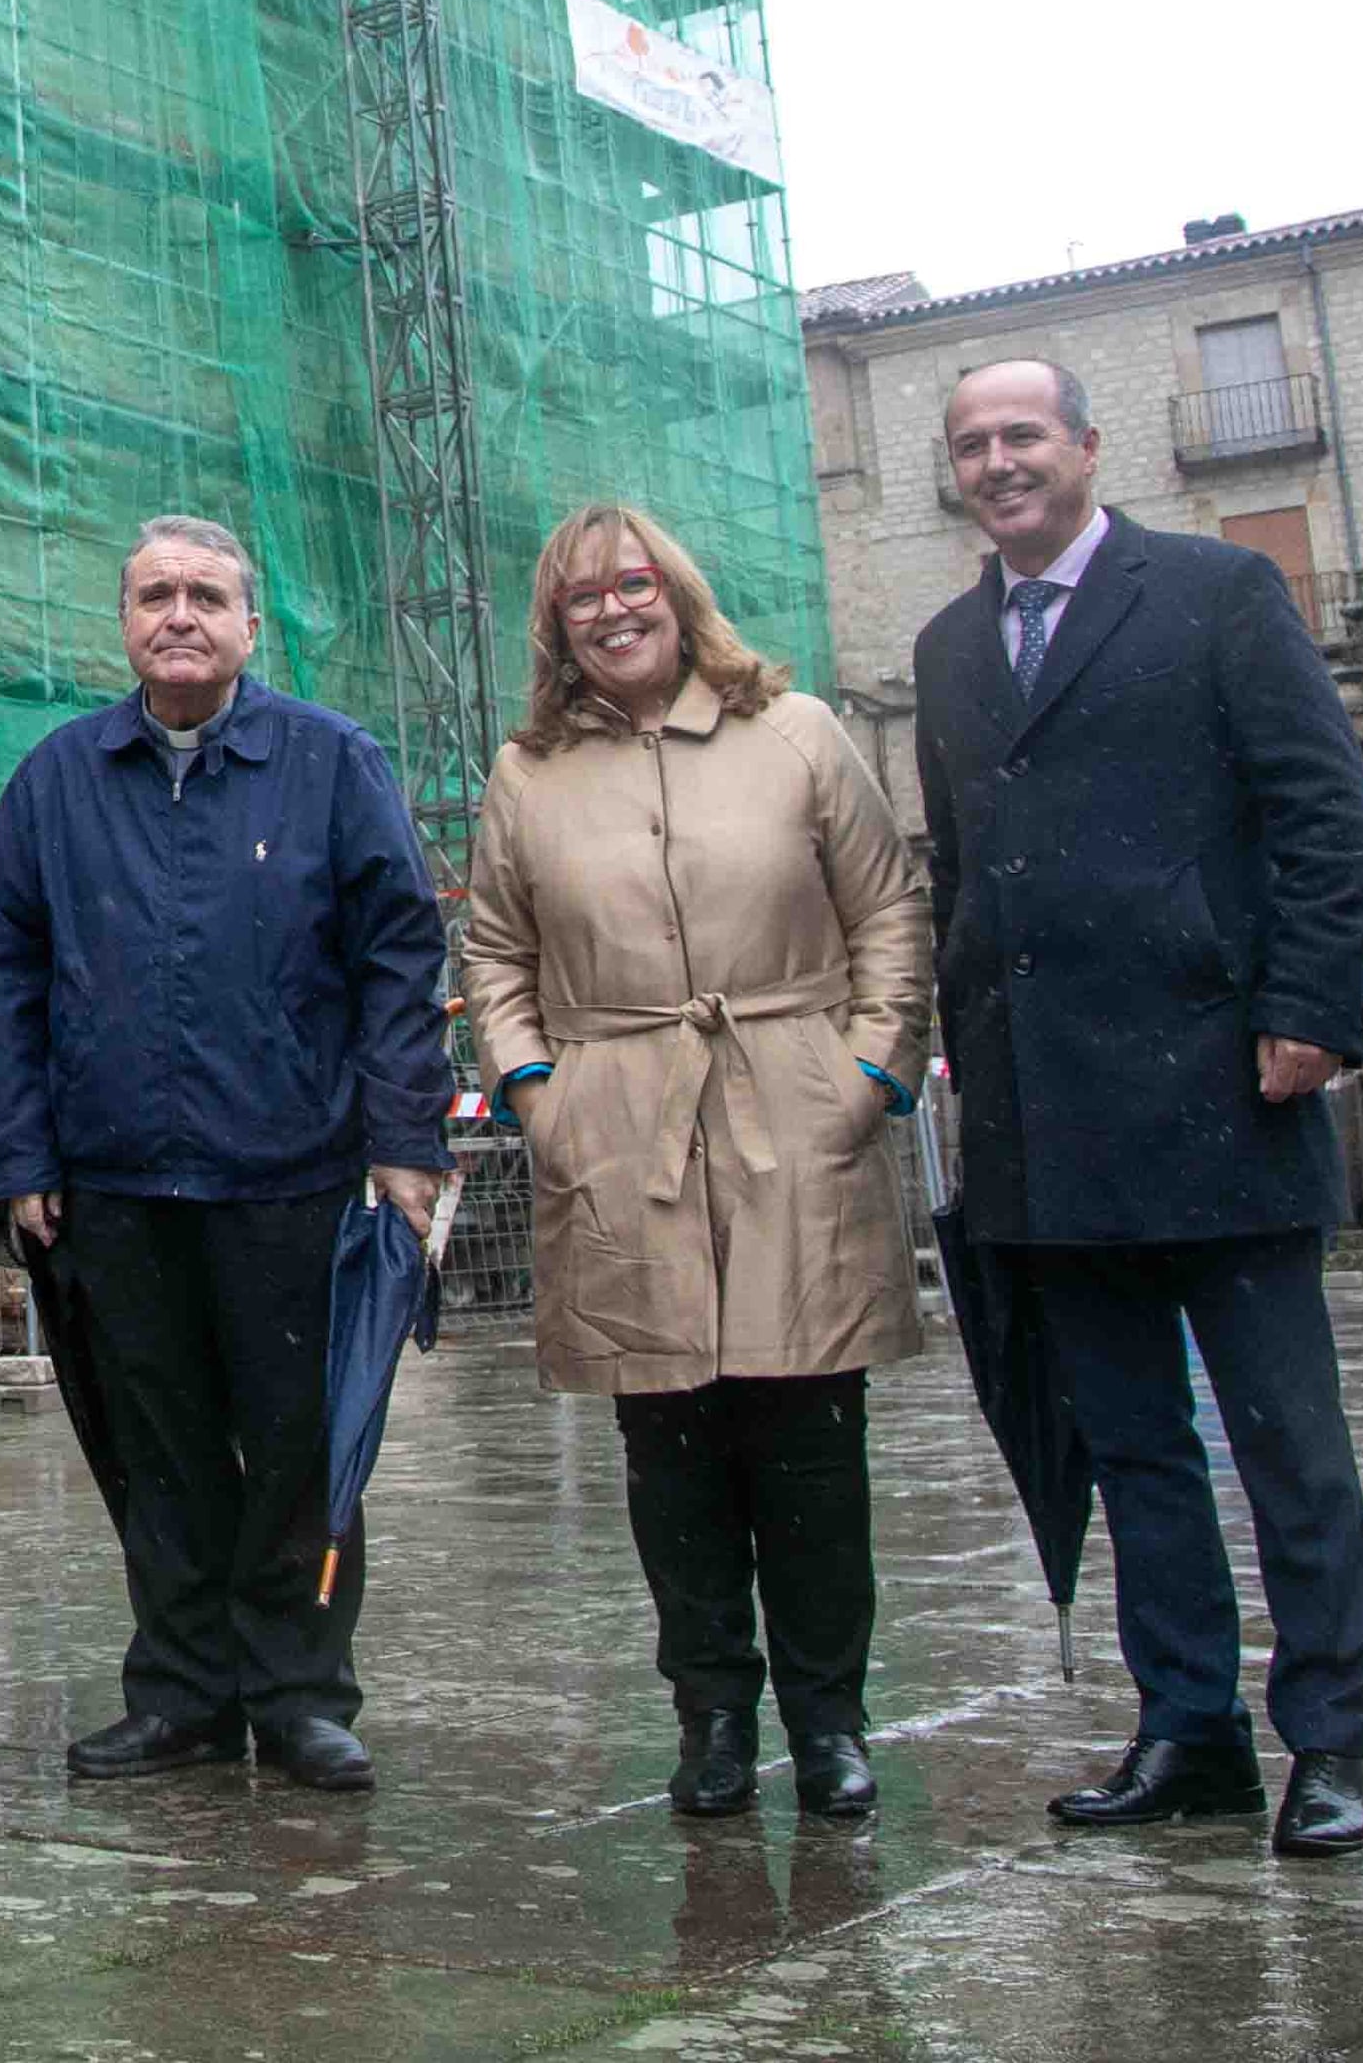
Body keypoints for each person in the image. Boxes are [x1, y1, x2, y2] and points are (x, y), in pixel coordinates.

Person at [917, 359, 1363, 1859]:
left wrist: (1309, 1007)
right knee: (1134, 1453)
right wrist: (964, 1044)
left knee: (1288, 1447)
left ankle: (1328, 1744)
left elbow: (1320, 806)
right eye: (973, 444)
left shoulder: (1217, 592)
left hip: (1223, 1094)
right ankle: (1188, 1729)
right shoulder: (944, 648)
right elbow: (962, 872)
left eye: (1023, 436)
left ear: (1084, 447)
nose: (1000, 463)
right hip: (1049, 1126)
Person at [458, 500, 932, 1824]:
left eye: (631, 584)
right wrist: (538, 1093)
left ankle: (830, 1721)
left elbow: (887, 907)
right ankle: (713, 1715)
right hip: (617, 1122)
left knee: (810, 1448)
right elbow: (494, 952)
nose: (611, 611)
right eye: (579, 599)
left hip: (795, 1107)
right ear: (556, 628)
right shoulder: (528, 771)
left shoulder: (798, 735)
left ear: (678, 589)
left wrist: (873, 1073)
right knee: (668, 1453)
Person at [0, 514, 452, 1792]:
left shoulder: (331, 764)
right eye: (151, 596)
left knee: (298, 1450)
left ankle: (298, 1694)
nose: (176, 615)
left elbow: (400, 956)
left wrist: (404, 1136)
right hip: (114, 1187)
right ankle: (180, 1691)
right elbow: (4, 975)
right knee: (156, 1453)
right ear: (121, 624)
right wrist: (21, 1156)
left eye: (203, 596)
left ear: (250, 627)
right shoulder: (59, 779)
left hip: (287, 1175)